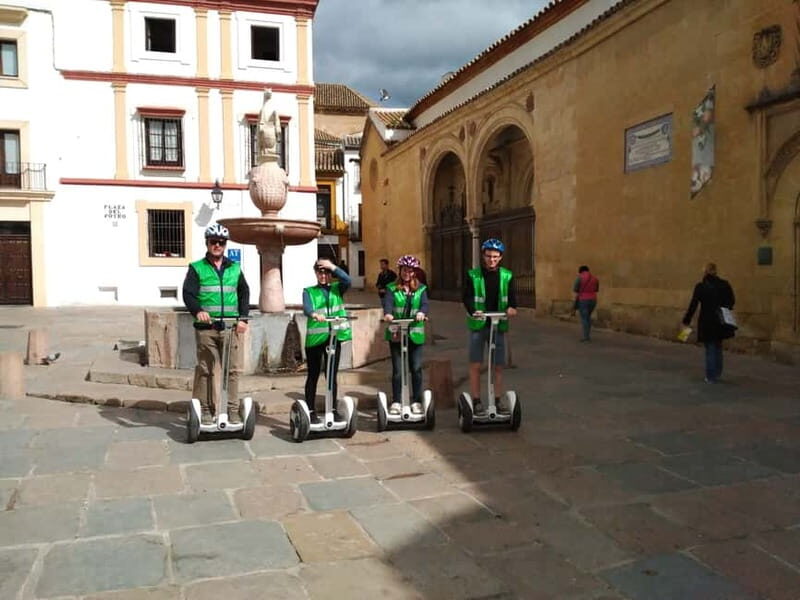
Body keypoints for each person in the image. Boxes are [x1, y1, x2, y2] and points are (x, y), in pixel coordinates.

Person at [182, 224, 250, 425]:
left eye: (221, 242)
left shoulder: (234, 268)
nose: (217, 245)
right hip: (207, 328)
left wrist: (243, 318)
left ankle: (233, 410)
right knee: (206, 369)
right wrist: (198, 311)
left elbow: (244, 292)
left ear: (225, 245)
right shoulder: (197, 268)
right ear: (207, 243)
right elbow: (188, 293)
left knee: (234, 370)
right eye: (214, 242)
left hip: (230, 327)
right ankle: (204, 409)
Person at [463, 238, 517, 413]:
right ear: (483, 256)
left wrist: (511, 309)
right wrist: (473, 310)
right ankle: (476, 400)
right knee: (476, 364)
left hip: (498, 325)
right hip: (479, 324)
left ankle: (497, 399)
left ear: (500, 257)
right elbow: (467, 297)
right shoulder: (473, 275)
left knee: (498, 366)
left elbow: (513, 300)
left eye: (495, 256)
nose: (491, 260)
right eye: (488, 256)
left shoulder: (507, 276)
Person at [303, 258, 352, 420]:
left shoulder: (338, 288)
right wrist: (314, 314)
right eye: (320, 272)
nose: (323, 275)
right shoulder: (309, 291)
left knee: (331, 374)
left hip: (334, 337)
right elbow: (307, 307)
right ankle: (310, 410)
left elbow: (347, 279)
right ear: (316, 274)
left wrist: (332, 266)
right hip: (316, 340)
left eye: (326, 272)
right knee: (313, 374)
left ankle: (332, 409)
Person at [382, 255, 429, 415]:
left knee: (415, 368)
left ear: (414, 272)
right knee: (397, 370)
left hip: (415, 333)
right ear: (400, 271)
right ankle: (396, 401)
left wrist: (422, 312)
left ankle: (416, 400)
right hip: (396, 333)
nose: (407, 273)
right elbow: (387, 303)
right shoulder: (391, 288)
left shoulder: (421, 289)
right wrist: (388, 314)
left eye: (410, 270)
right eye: (404, 270)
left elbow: (424, 304)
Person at [682, 262, 735, 383]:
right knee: (718, 345)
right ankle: (717, 372)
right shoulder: (724, 285)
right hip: (720, 320)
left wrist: (687, 320)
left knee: (710, 347)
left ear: (705, 272)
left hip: (707, 320)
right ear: (716, 271)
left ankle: (710, 376)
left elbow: (693, 305)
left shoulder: (701, 287)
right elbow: (732, 301)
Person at [573, 265, 600, 342]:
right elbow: (596, 289)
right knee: (588, 317)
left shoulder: (579, 278)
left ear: (580, 271)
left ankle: (586, 337)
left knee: (584, 318)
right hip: (593, 300)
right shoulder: (595, 278)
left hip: (583, 300)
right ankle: (587, 335)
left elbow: (575, 289)